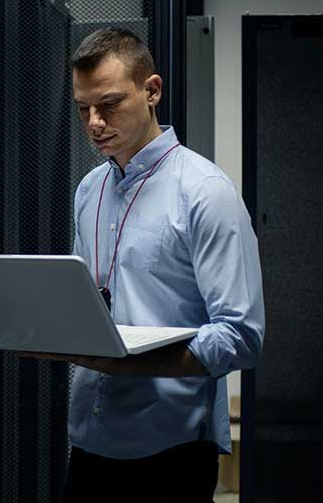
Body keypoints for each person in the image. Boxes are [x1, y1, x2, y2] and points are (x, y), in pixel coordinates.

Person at [36, 28, 265, 502]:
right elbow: (91, 304)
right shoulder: (89, 190)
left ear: (152, 91)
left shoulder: (205, 192)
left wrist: (131, 367)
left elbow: (242, 337)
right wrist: (45, 332)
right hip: (91, 439)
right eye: (83, 109)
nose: (95, 123)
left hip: (171, 450)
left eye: (109, 104)